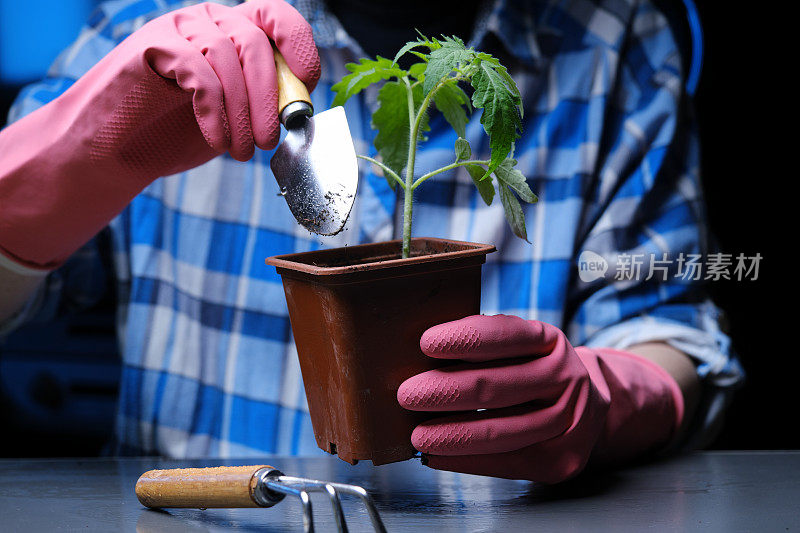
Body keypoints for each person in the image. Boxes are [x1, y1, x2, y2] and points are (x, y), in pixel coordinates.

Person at [0, 0, 742, 482]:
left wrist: (605, 398)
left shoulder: (614, 41)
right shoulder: (152, 17)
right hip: (204, 511)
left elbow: (670, 330)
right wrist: (64, 162)